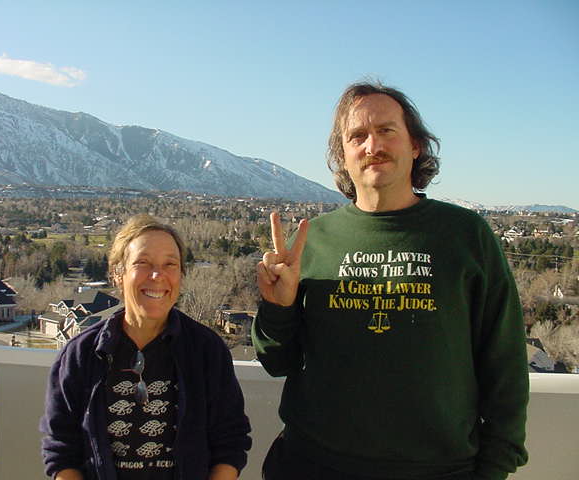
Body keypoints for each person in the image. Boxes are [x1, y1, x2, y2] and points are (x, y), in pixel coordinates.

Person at [252, 81, 528, 480]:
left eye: (386, 130)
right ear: (342, 155)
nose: (372, 145)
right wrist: (278, 308)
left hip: (438, 470)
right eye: (357, 136)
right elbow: (277, 362)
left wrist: (494, 468)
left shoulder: (465, 235)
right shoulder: (312, 240)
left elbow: (505, 363)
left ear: (415, 145)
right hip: (310, 464)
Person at [41, 214, 251, 480]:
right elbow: (60, 449)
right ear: (118, 273)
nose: (157, 275)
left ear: (181, 275)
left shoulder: (206, 351)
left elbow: (230, 442)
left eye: (170, 264)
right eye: (143, 263)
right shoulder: (81, 354)